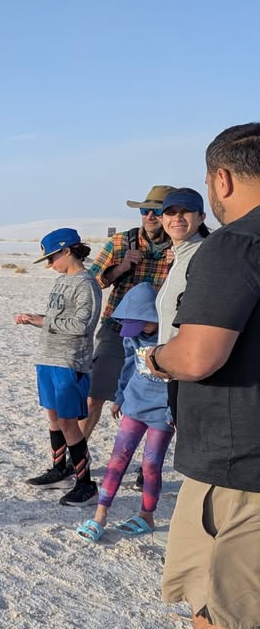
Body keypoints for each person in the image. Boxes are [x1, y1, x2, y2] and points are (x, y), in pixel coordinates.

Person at [144, 123, 260, 629]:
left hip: (240, 472)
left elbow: (196, 358)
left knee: (220, 612)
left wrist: (156, 359)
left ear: (222, 180)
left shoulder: (235, 245)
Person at [74, 283, 173, 543]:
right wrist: (119, 397)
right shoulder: (132, 335)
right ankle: (100, 516)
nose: (134, 331)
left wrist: (176, 411)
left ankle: (146, 516)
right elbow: (129, 366)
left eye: (139, 324)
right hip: (134, 405)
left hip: (163, 412)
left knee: (151, 465)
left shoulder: (172, 338)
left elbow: (183, 380)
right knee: (118, 459)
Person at [82, 185, 175, 446]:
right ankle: (75, 459)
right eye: (145, 211)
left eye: (156, 211)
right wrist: (121, 266)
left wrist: (177, 266)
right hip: (117, 327)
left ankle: (148, 466)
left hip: (162, 334)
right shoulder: (121, 242)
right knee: (94, 395)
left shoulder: (181, 248)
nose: (149, 217)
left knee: (160, 400)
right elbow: (92, 283)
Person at [16, 228, 103, 506]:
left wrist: (43, 322)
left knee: (68, 422)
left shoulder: (85, 284)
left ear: (67, 251)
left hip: (69, 361)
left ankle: (86, 483)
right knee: (54, 418)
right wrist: (37, 318)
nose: (50, 265)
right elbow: (57, 317)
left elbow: (81, 325)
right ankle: (59, 471)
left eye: (52, 258)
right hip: (48, 358)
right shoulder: (62, 281)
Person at [154, 187, 209, 425]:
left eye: (185, 211)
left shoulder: (204, 254)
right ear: (162, 218)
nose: (177, 217)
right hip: (174, 369)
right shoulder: (179, 256)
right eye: (171, 212)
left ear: (201, 217)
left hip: (194, 370)